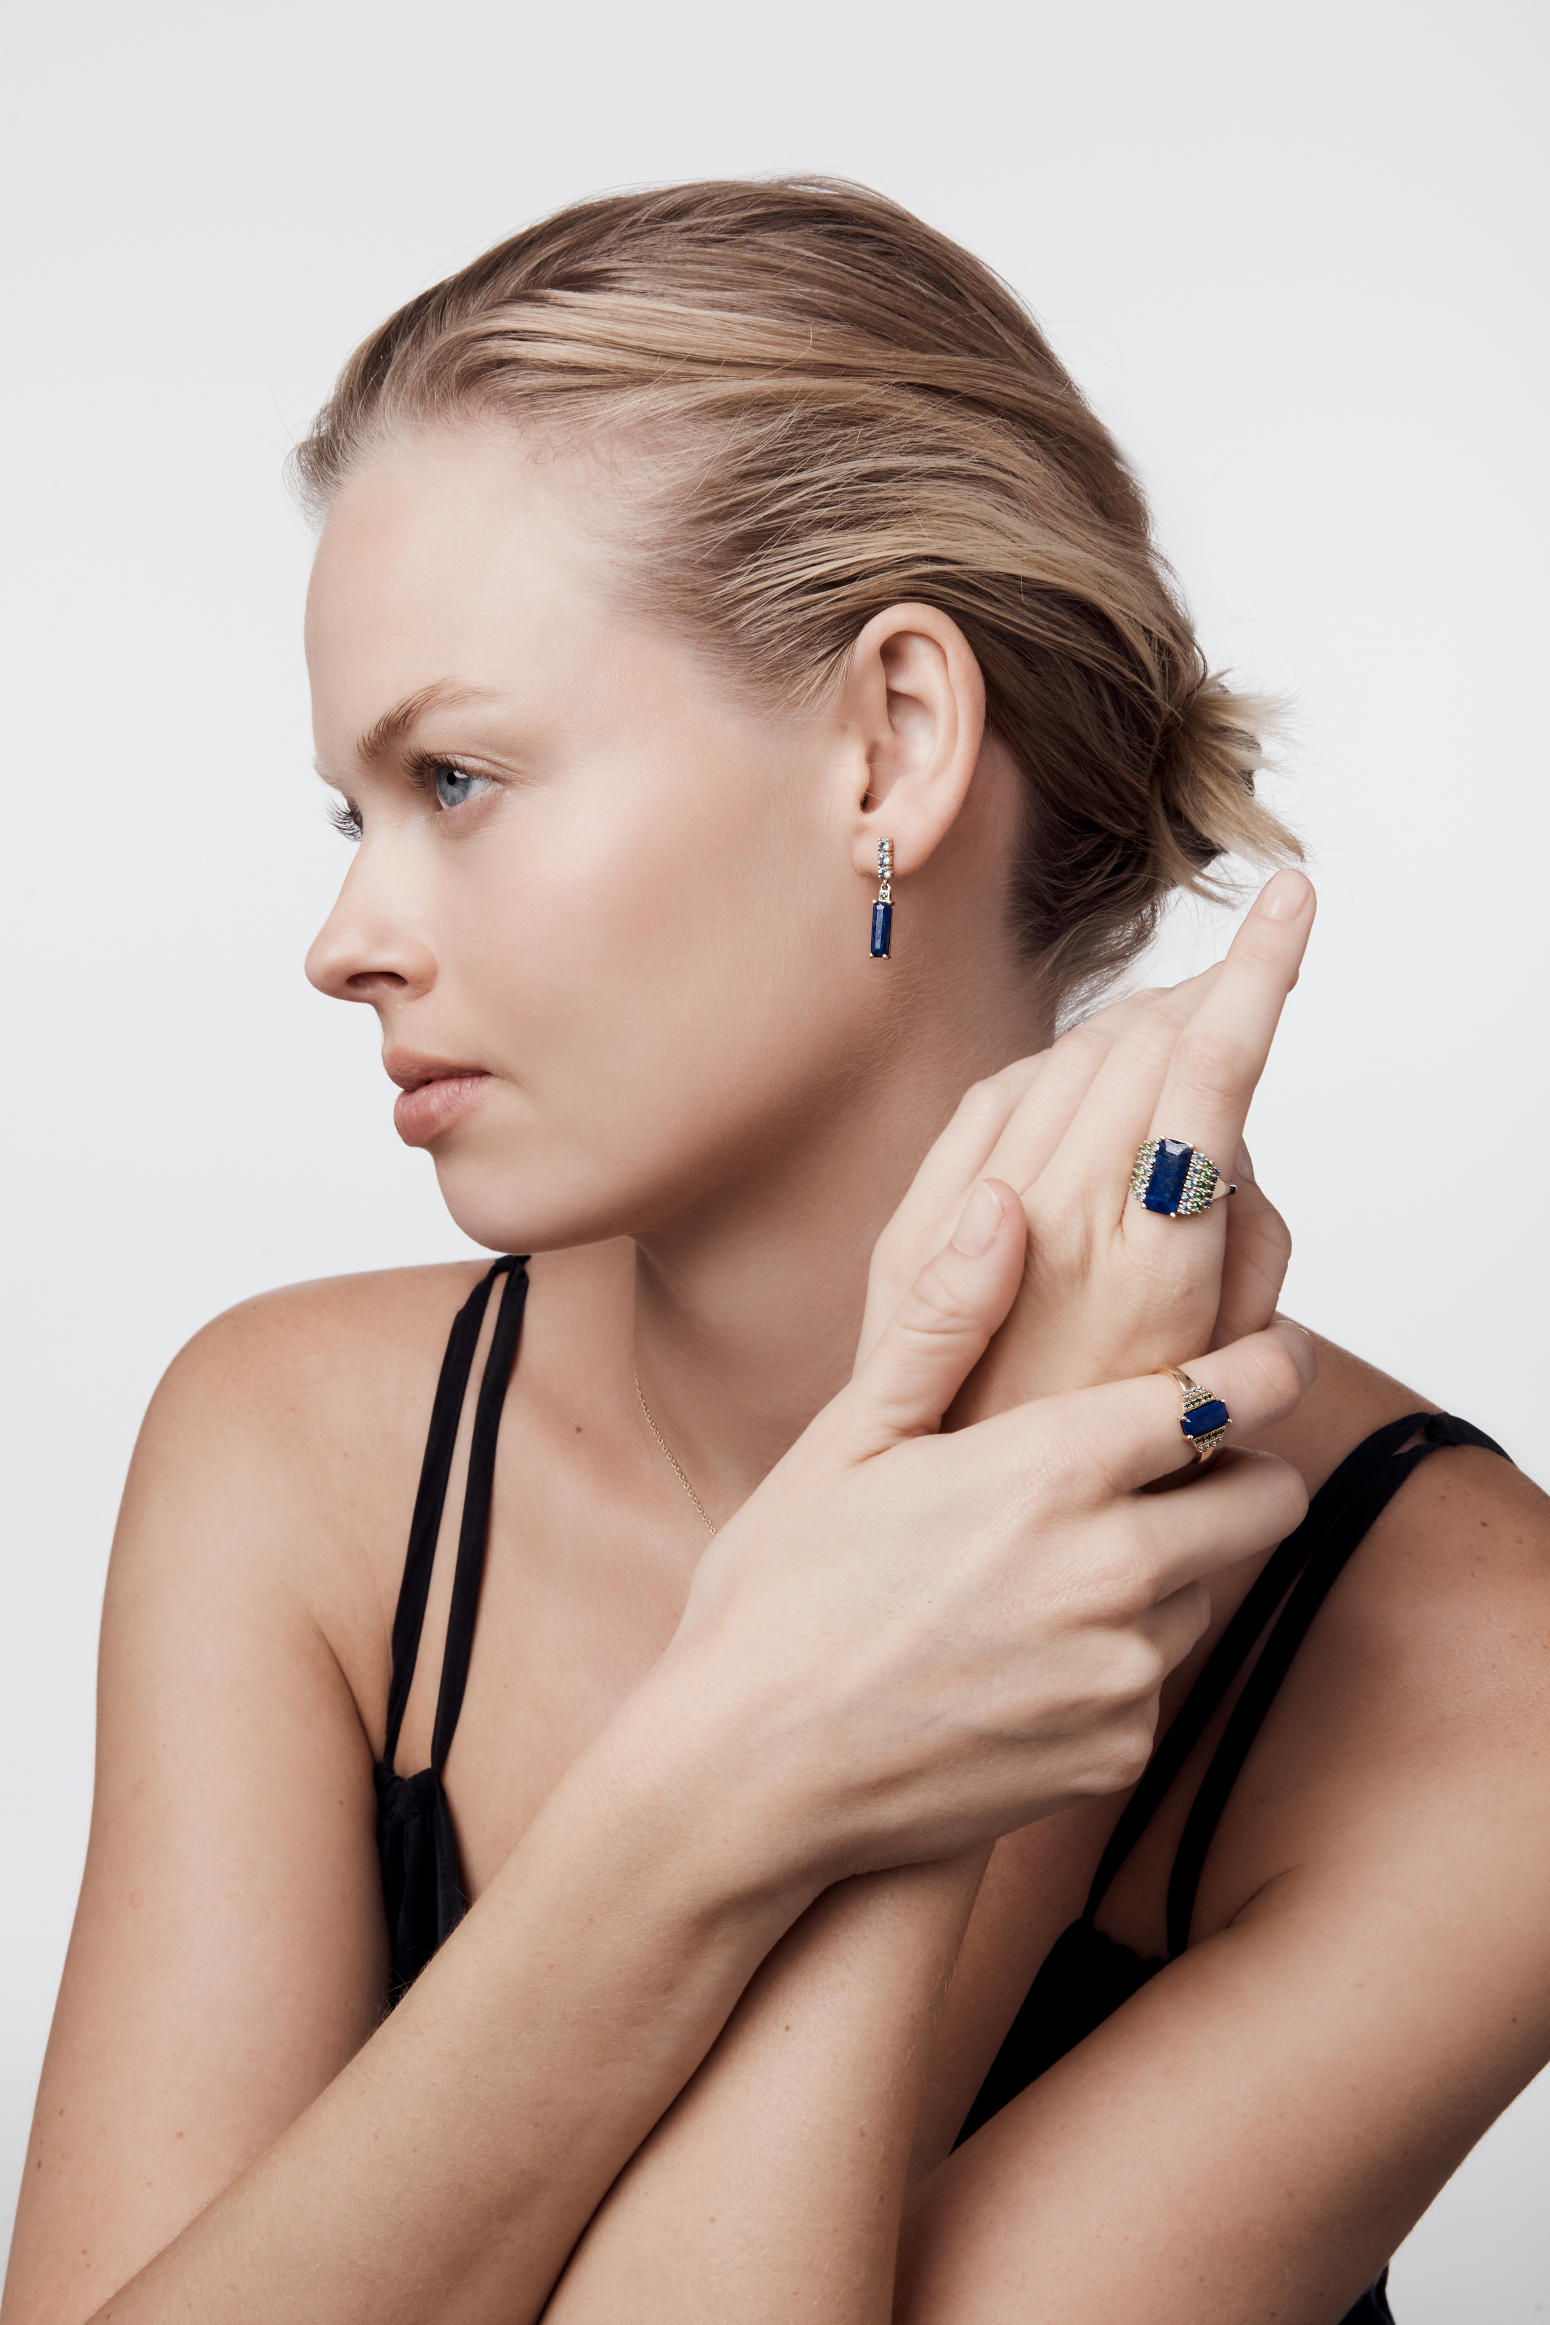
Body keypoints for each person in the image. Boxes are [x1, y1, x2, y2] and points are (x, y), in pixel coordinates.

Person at [4, 179, 1546, 2325]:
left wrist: (926, 1705)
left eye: (457, 776)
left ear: (890, 745)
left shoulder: (1477, 1671)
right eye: (355, 813)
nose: (343, 940)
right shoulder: (295, 1455)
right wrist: (752, 1743)